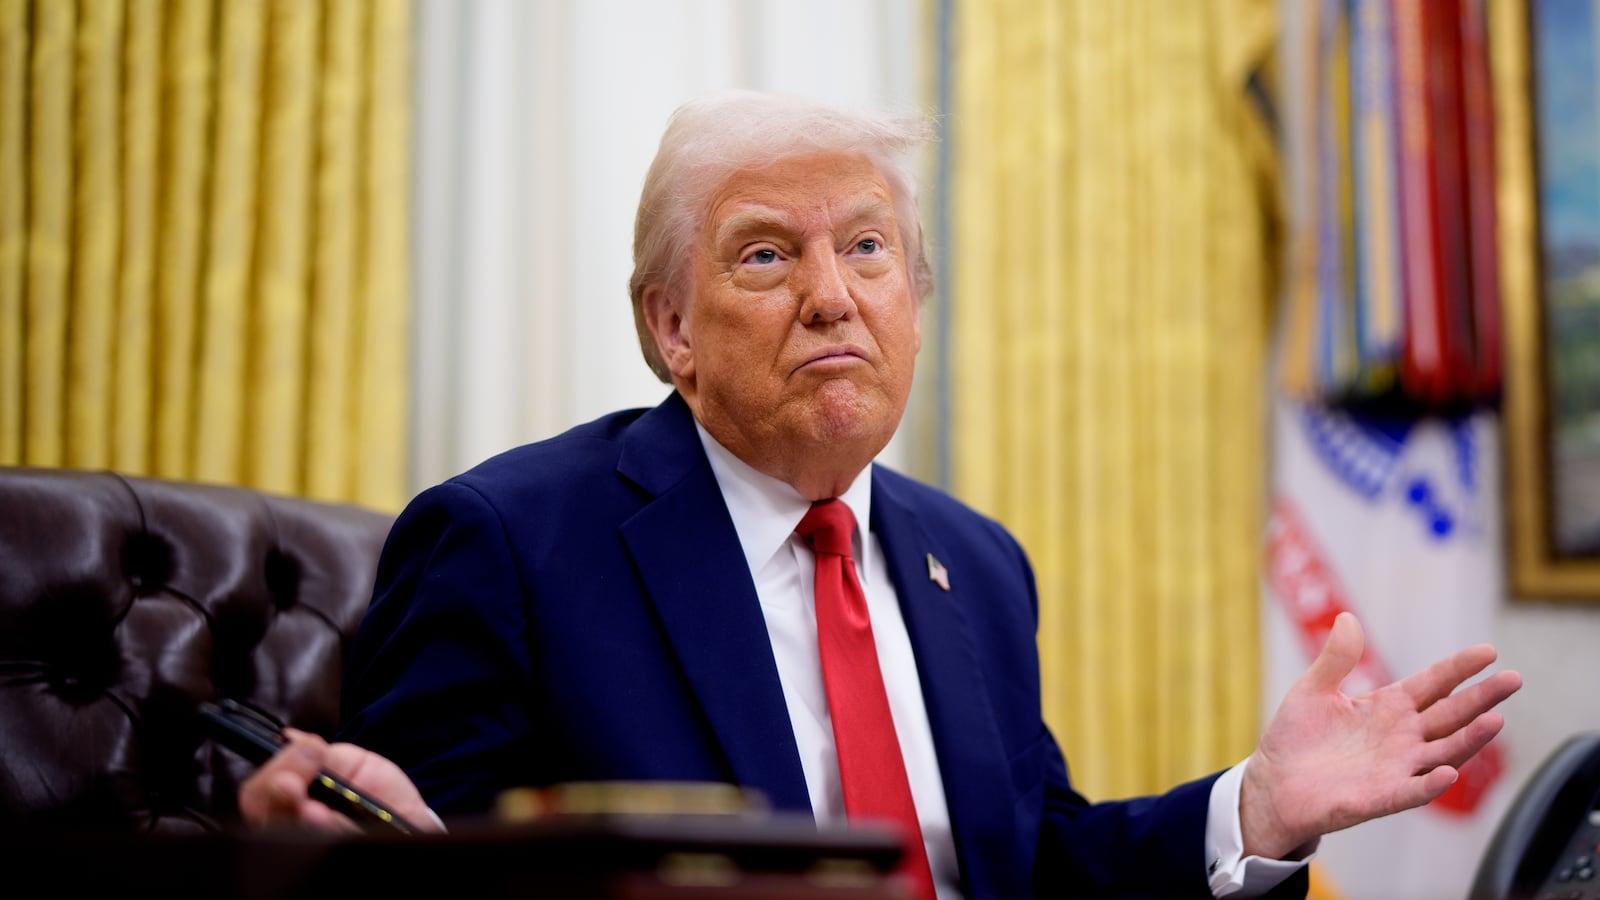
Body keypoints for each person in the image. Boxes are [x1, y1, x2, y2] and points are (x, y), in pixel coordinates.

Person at [239, 91, 1521, 899]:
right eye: (764, 254)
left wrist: (1252, 809)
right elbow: (403, 851)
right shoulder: (508, 542)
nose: (830, 294)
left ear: (916, 301)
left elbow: (1034, 864)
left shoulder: (976, 562)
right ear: (670, 325)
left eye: (866, 248)